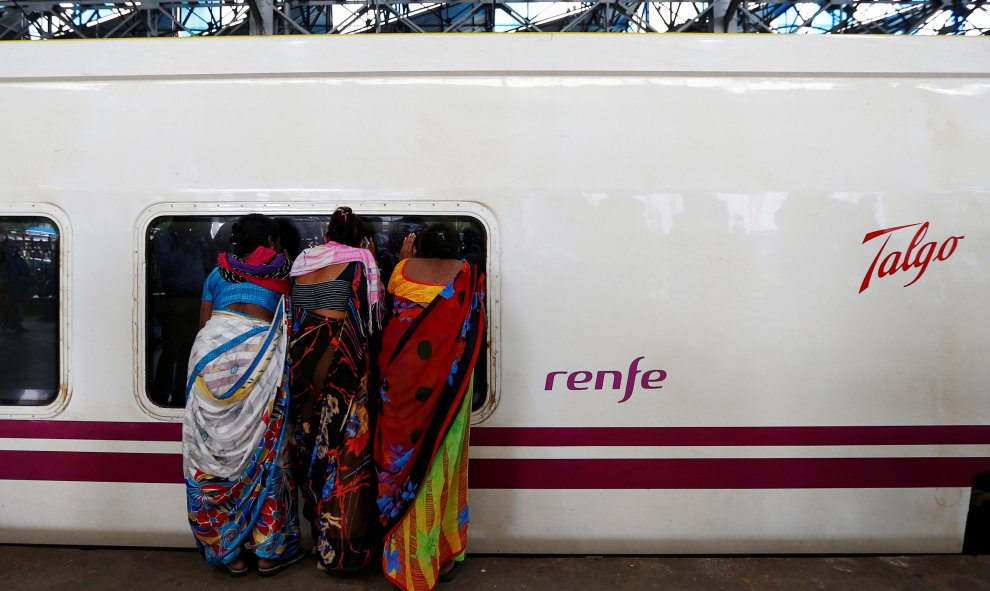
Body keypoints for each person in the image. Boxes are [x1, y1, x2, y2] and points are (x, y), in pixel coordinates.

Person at [182, 213, 303, 577]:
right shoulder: (283, 272)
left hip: (209, 361)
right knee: (267, 453)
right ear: (270, 240)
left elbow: (205, 324)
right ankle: (268, 551)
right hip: (260, 363)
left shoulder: (216, 275)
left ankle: (228, 552)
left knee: (211, 454)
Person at [375, 223, 486, 591]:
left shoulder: (401, 272)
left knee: (400, 461)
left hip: (401, 383)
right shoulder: (469, 276)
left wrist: (405, 259)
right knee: (442, 465)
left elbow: (392, 311)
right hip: (448, 389)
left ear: (417, 246)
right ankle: (440, 553)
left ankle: (404, 558)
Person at [289, 206, 384, 573]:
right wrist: (373, 262)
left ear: (327, 232)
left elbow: (295, 312)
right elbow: (370, 318)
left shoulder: (302, 261)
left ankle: (317, 535)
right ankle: (343, 551)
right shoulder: (360, 260)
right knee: (344, 453)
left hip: (301, 359)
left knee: (309, 446)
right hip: (338, 359)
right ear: (360, 237)